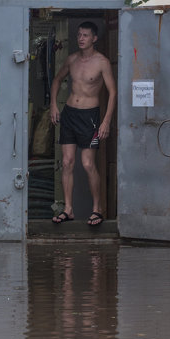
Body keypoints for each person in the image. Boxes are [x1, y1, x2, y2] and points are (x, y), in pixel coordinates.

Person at [50, 21, 116, 226]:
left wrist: (106, 121)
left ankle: (97, 209)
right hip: (70, 114)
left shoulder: (102, 62)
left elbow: (112, 92)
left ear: (94, 38)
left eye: (85, 35)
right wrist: (53, 105)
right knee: (68, 162)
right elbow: (56, 80)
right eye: (79, 35)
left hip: (90, 117)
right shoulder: (71, 60)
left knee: (87, 164)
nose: (80, 38)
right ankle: (68, 209)